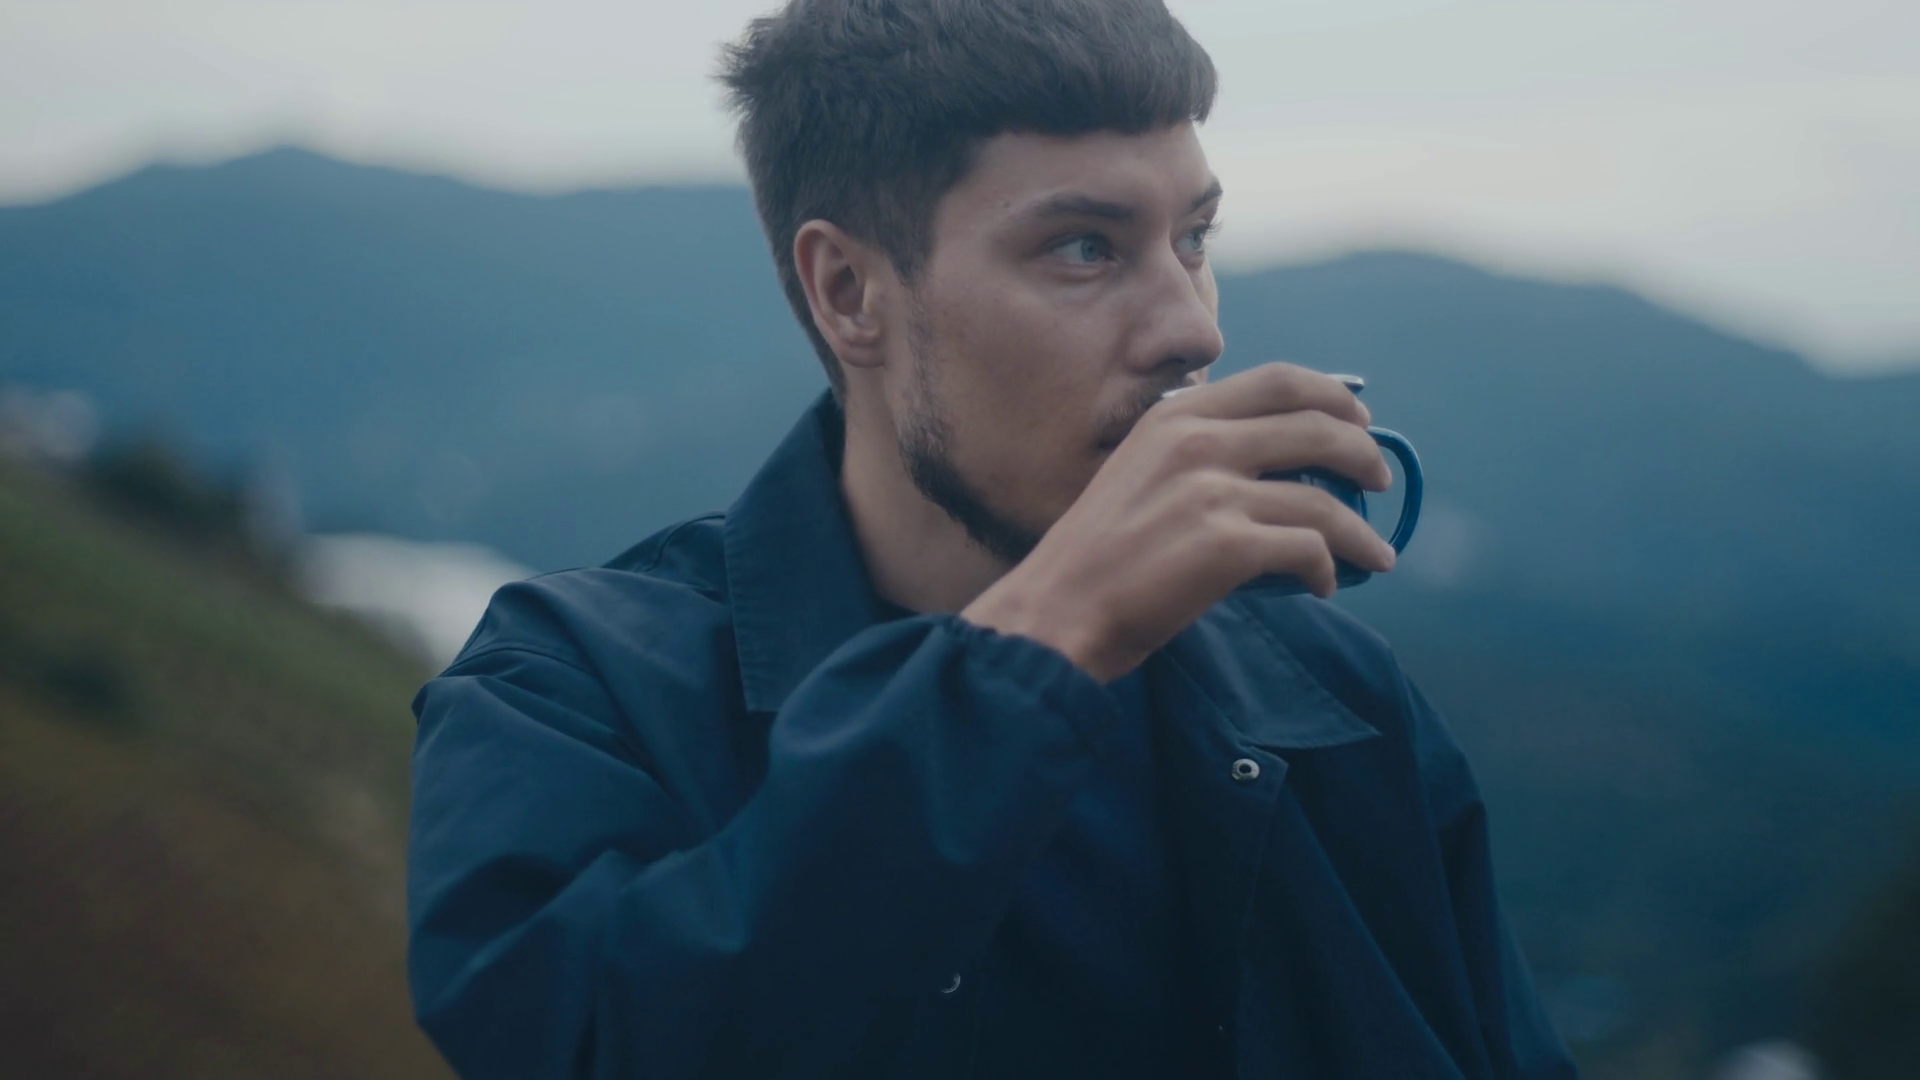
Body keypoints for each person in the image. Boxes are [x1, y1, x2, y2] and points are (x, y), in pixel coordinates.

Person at [405, 0, 1578, 1076]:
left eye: (1193, 238)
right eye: (1084, 248)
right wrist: (1043, 645)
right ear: (849, 292)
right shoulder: (574, 694)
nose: (1191, 328)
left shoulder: (1332, 690)